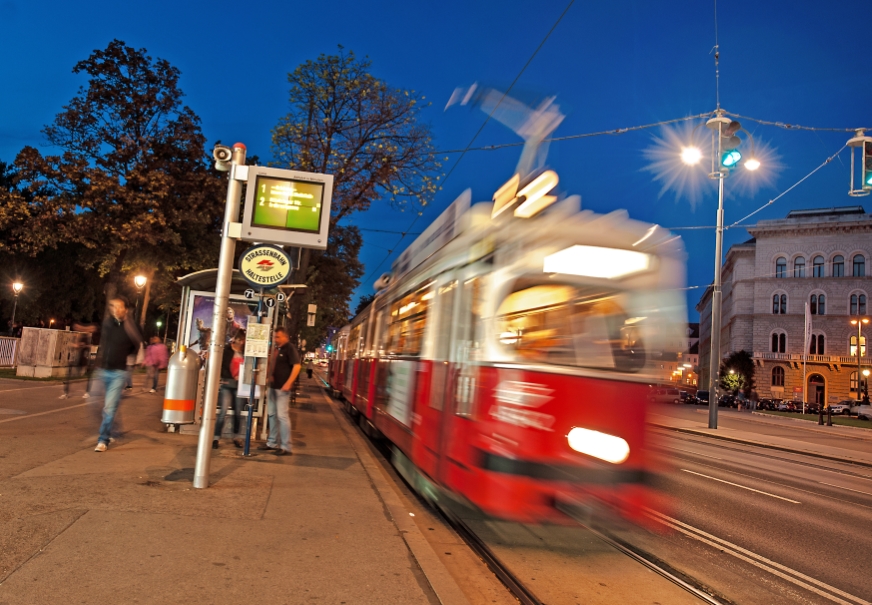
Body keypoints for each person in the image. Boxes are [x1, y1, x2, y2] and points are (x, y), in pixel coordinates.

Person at [94, 296, 142, 452]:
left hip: (118, 373)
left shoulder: (130, 328)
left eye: (120, 307)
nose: (116, 309)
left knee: (109, 407)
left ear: (125, 310)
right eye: (113, 306)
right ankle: (112, 430)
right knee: (100, 406)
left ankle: (103, 440)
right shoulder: (108, 324)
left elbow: (137, 345)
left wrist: (128, 360)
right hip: (103, 370)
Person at [259, 327, 301, 456]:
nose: (275, 339)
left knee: (282, 416)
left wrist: (289, 383)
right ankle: (272, 442)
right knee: (272, 414)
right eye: (274, 337)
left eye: (278, 337)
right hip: (273, 386)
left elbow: (297, 366)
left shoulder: (289, 348)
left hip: (283, 388)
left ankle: (286, 446)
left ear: (285, 337)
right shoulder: (276, 349)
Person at [214, 331, 246, 449]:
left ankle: (236, 436)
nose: (242, 343)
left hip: (239, 386)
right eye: (241, 340)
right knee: (223, 411)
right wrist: (231, 376)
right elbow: (222, 366)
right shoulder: (227, 351)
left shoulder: (244, 353)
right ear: (236, 340)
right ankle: (216, 437)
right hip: (227, 383)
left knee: (238, 412)